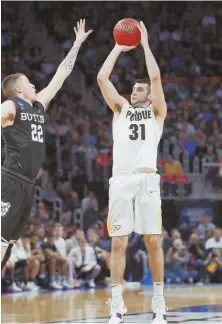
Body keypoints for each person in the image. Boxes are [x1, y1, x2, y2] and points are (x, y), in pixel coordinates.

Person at [1, 19, 92, 270]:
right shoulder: (10, 106)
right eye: (30, 83)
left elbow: (62, 74)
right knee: (0, 242)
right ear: (19, 89)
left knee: (8, 243)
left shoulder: (39, 104)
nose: (35, 85)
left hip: (29, 183)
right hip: (11, 178)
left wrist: (76, 44)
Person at [97, 22, 167, 324]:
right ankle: (116, 305)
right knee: (118, 242)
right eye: (133, 88)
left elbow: (154, 76)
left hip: (148, 178)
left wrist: (146, 44)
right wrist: (118, 47)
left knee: (153, 240)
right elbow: (101, 77)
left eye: (139, 89)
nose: (133, 91)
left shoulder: (157, 111)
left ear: (149, 96)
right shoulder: (120, 108)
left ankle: (159, 303)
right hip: (122, 178)